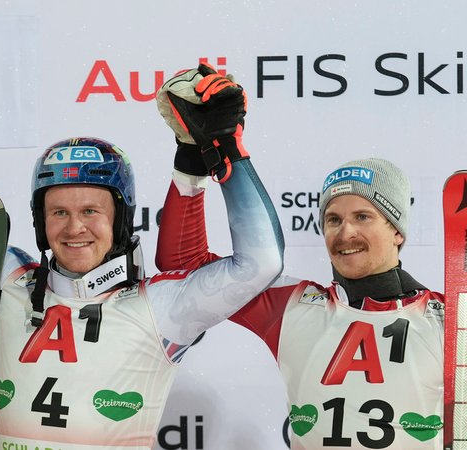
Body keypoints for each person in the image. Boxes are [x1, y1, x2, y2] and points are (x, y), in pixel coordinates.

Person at [0, 63, 284, 449]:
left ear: (122, 220)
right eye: (58, 212)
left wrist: (225, 149)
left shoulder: (159, 306)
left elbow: (261, 263)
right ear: (39, 221)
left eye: (91, 212)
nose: (74, 227)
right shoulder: (12, 278)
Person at [155, 83, 444, 446]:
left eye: (363, 217)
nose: (345, 232)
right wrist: (192, 163)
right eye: (333, 220)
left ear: (397, 231)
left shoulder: (449, 321)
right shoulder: (293, 305)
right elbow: (185, 269)